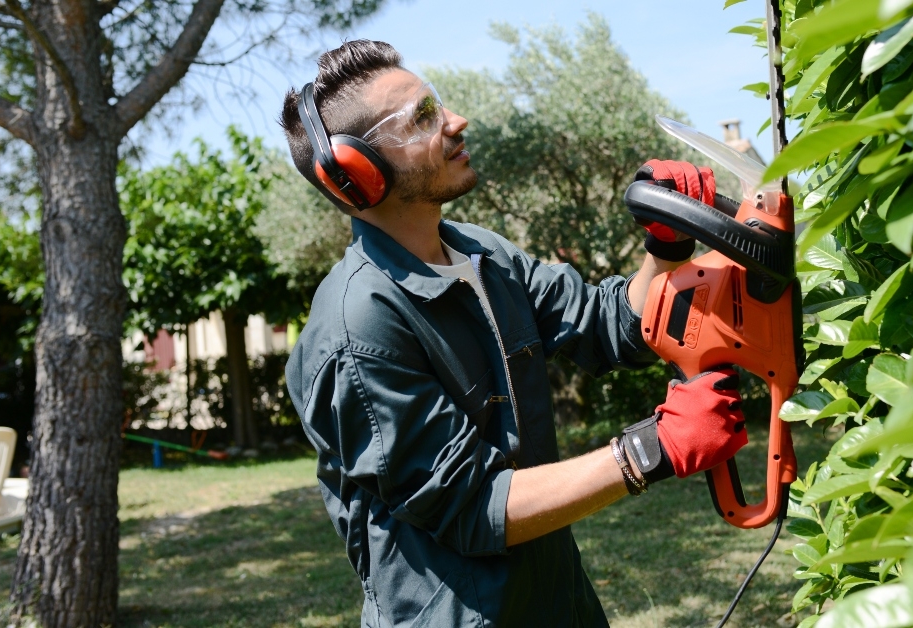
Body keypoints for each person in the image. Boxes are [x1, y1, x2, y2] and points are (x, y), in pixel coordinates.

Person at [281, 39, 748, 627]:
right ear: (358, 172)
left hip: (559, 604)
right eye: (423, 117)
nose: (455, 121)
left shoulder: (482, 255)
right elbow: (474, 505)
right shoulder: (357, 326)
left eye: (439, 104)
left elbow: (606, 325)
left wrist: (666, 247)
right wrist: (649, 450)